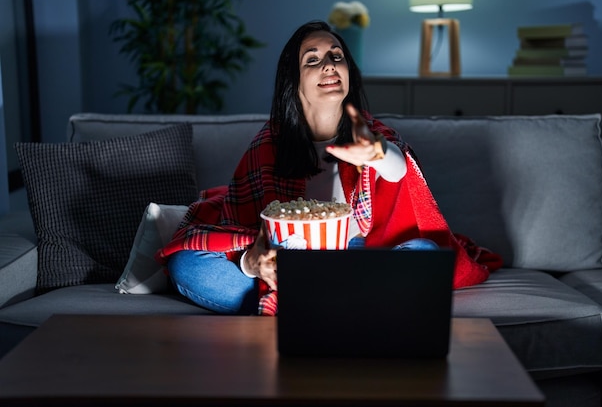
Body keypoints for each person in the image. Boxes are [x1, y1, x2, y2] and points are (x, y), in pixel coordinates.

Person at [156, 20, 502, 316]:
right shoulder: (267, 146)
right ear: (295, 80)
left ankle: (304, 310)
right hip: (287, 263)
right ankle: (342, 309)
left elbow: (399, 170)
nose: (329, 65)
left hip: (359, 259)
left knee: (424, 255)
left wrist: (378, 154)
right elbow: (242, 221)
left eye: (337, 56)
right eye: (313, 59)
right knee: (187, 264)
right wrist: (251, 262)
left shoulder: (373, 136)